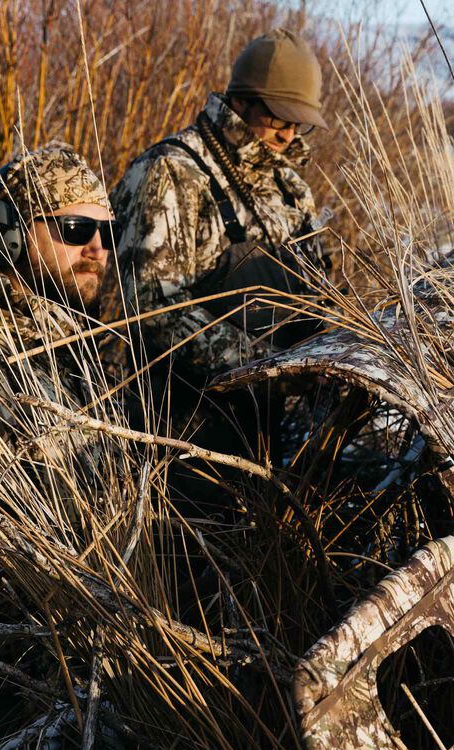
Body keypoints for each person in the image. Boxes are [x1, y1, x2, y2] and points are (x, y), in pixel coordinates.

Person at [0, 144, 122, 687]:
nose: (95, 249)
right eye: (72, 228)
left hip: (47, 675)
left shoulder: (59, 347)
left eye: (106, 232)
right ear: (12, 233)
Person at [110, 28, 331, 455]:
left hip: (270, 426)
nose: (288, 134)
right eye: (279, 116)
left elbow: (315, 289)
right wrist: (267, 368)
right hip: (183, 430)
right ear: (240, 101)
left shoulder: (290, 186)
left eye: (298, 121)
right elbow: (152, 308)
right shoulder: (172, 172)